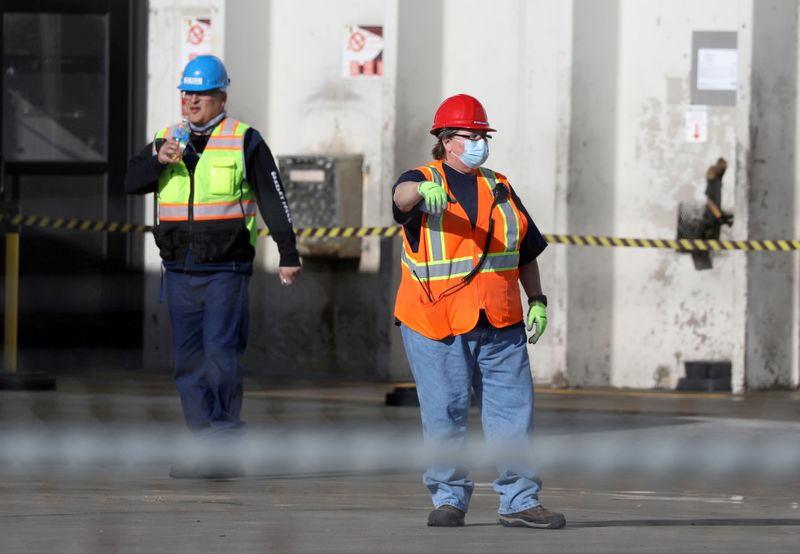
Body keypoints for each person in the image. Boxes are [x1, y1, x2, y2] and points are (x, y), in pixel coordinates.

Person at [391, 94, 565, 529]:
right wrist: (419, 192)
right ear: (447, 140)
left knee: (514, 415)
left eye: (483, 136)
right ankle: (449, 498)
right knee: (445, 415)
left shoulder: (500, 187)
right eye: (471, 135)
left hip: (500, 320)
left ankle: (520, 501)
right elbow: (401, 197)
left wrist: (538, 300)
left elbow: (525, 250)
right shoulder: (424, 179)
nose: (480, 143)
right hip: (436, 322)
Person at [124, 55, 301, 478]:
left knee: (221, 356)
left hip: (226, 269)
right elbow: (131, 182)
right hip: (180, 271)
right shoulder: (166, 139)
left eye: (200, 93)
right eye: (186, 93)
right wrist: (158, 160)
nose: (191, 101)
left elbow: (272, 197)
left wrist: (287, 251)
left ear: (221, 95)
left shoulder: (245, 140)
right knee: (187, 361)